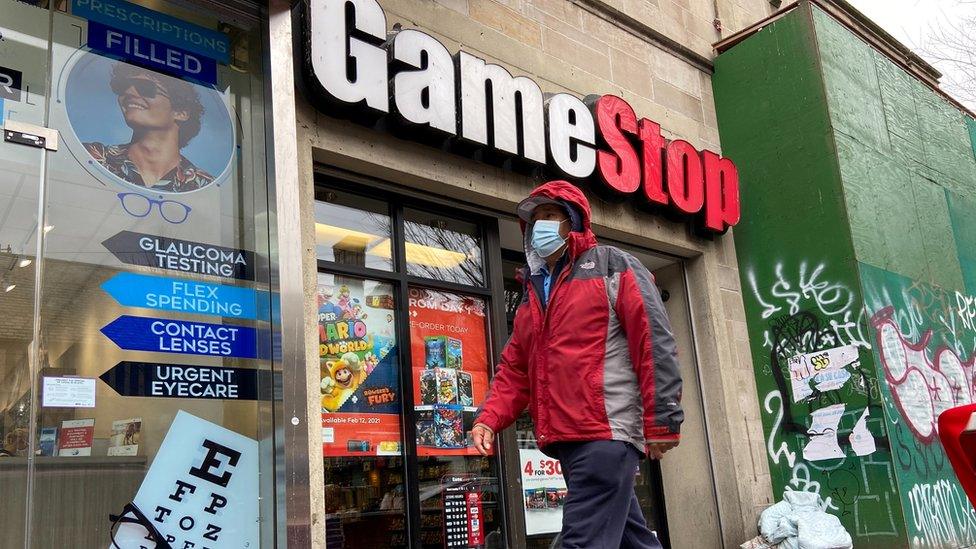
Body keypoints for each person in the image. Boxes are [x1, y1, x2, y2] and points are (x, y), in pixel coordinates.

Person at [472, 180, 684, 549]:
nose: (541, 224)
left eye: (551, 214)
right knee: (634, 540)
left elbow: (653, 341)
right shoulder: (534, 294)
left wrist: (662, 420)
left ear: (573, 222)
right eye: (535, 218)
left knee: (580, 541)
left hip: (605, 434)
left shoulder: (612, 266)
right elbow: (515, 368)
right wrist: (489, 416)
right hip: (568, 440)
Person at [84, 62, 215, 192]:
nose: (129, 92)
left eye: (145, 87)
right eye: (122, 86)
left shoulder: (205, 187)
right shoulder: (90, 156)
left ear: (181, 112)